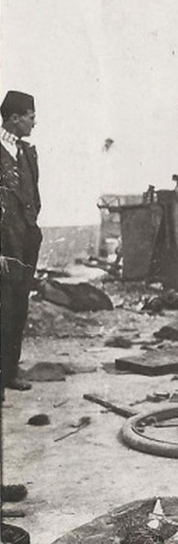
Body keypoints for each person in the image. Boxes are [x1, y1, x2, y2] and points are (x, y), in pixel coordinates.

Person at [0, 90, 42, 396]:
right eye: (30, 116)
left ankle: (10, 372)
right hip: (3, 248)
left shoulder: (27, 153)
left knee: (19, 309)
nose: (34, 122)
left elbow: (33, 197)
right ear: (15, 118)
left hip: (25, 244)